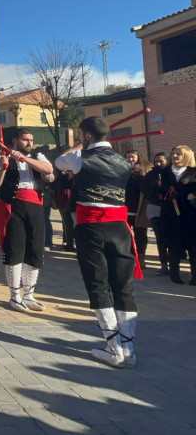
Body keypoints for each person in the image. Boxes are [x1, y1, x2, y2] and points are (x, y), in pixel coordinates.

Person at [55, 117, 140, 368]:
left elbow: (60, 161)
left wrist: (79, 146)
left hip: (92, 227)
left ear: (87, 136)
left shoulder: (81, 158)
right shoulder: (125, 161)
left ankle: (113, 347)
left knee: (98, 284)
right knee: (124, 285)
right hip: (120, 228)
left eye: (81, 135)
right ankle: (128, 349)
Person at [0, 129, 53, 312]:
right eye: (25, 140)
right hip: (13, 206)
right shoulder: (1, 158)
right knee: (14, 250)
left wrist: (25, 159)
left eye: (31, 140)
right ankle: (14, 295)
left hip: (36, 206)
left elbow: (49, 170)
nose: (29, 143)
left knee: (34, 250)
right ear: (16, 141)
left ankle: (29, 294)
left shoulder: (38, 156)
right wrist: (3, 167)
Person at [157, 145, 196, 284]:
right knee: (173, 245)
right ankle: (174, 275)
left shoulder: (193, 172)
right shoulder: (165, 172)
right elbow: (157, 192)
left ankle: (194, 276)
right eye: (173, 153)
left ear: (186, 156)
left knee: (193, 246)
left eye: (178, 154)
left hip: (190, 215)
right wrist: (164, 190)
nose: (175, 156)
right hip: (171, 214)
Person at [125, 150, 152, 270]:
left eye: (132, 157)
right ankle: (131, 257)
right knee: (126, 235)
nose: (130, 160)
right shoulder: (123, 171)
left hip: (140, 208)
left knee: (141, 235)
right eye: (128, 158)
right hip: (125, 209)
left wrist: (139, 175)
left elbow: (146, 188)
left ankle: (141, 259)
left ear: (138, 157)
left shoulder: (146, 170)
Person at [143, 152, 169, 276]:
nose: (158, 164)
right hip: (155, 207)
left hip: (169, 208)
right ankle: (164, 264)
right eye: (156, 161)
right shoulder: (151, 174)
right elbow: (144, 189)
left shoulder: (170, 173)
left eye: (161, 161)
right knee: (160, 237)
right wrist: (155, 186)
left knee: (171, 236)